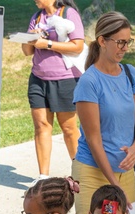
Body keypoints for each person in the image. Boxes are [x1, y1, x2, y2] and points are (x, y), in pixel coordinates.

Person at [73, 11, 135, 214]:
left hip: (123, 174)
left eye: (128, 42)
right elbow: (94, 140)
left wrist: (134, 149)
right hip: (92, 174)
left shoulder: (130, 73)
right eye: (120, 42)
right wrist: (115, 186)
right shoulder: (89, 82)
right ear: (102, 41)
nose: (125, 48)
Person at [21, 0, 86, 179]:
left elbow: (77, 46)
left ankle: (81, 176)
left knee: (69, 129)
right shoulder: (37, 17)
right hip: (38, 79)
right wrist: (30, 37)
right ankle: (43, 178)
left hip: (65, 80)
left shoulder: (69, 13)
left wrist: (48, 44)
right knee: (41, 126)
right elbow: (27, 51)